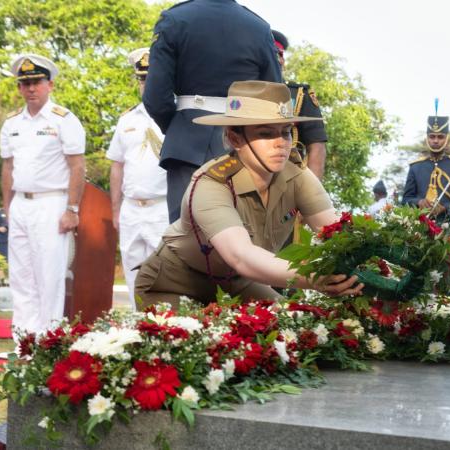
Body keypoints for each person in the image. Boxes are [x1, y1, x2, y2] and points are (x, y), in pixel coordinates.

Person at [135, 81, 362, 307]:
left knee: (295, 323)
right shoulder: (211, 183)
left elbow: (337, 233)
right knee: (211, 340)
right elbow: (241, 257)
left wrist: (370, 264)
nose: (281, 144)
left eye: (285, 132)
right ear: (235, 138)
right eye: (266, 133)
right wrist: (315, 278)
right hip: (175, 284)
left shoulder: (296, 175)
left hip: (237, 282)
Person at [143, 0, 282, 223]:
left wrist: (181, 129)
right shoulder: (259, 27)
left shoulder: (175, 19)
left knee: (187, 240)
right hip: (245, 146)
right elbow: (273, 97)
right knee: (246, 239)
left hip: (187, 147)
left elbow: (155, 98)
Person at [0, 54, 85, 350]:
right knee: (21, 275)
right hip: (21, 204)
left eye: (35, 82)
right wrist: (7, 207)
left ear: (50, 84)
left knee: (49, 274)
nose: (30, 88)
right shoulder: (12, 123)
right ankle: (23, 340)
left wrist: (72, 209)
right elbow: (8, 167)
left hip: (52, 203)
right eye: (24, 83)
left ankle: (50, 340)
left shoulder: (63, 119)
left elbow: (77, 166)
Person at [107, 48, 168, 309]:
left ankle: (166, 331)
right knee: (133, 275)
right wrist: (115, 210)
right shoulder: (126, 120)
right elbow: (117, 166)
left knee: (164, 275)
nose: (146, 84)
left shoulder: (173, 115)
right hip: (132, 208)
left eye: (151, 78)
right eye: (142, 79)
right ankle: (137, 328)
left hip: (163, 207)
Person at [402, 113, 450, 241]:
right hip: (419, 229)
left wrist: (445, 208)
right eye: (432, 136)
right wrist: (419, 202)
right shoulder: (415, 167)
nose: (435, 140)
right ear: (427, 138)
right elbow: (406, 199)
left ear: (447, 139)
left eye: (440, 137)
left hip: (448, 229)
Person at [271, 30, 327, 179]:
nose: (278, 59)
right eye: (273, 54)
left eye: (280, 55)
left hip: (288, 181)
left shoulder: (300, 95)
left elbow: (316, 146)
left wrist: (311, 195)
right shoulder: (243, 91)